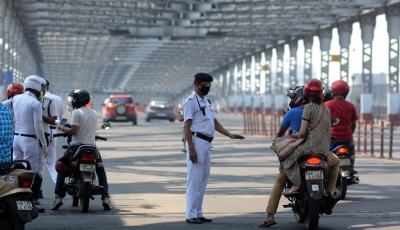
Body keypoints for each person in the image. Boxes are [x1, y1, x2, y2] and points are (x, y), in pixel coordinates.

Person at [259, 79, 340, 227]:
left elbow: (299, 133)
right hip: (322, 152)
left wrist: (289, 138)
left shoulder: (298, 111)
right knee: (336, 163)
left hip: (305, 149)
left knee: (282, 174)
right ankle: (328, 191)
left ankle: (270, 215)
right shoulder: (326, 109)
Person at [183, 73, 245, 224]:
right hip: (197, 141)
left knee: (203, 179)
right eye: (204, 85)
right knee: (194, 179)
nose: (207, 88)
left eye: (209, 86)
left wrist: (229, 135)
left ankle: (198, 212)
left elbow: (215, 123)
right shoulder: (190, 102)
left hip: (207, 143)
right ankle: (190, 214)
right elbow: (186, 126)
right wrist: (191, 148)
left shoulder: (206, 101)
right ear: (196, 84)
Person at [50, 89, 112, 211]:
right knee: (100, 169)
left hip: (76, 147)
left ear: (79, 100)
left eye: (74, 99)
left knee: (62, 167)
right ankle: (105, 197)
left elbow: (73, 131)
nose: (72, 101)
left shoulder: (76, 113)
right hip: (91, 147)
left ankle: (58, 197)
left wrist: (62, 127)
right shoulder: (93, 112)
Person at [2, 75, 49, 213]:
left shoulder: (16, 98)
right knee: (29, 173)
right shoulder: (35, 103)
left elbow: (3, 106)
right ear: (36, 87)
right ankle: (29, 203)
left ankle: (13, 200)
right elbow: (38, 126)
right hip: (30, 141)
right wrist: (44, 144)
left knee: (16, 171)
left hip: (16, 139)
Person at [275, 86, 309, 195]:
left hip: (298, 147)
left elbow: (280, 132)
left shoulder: (292, 112)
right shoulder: (320, 111)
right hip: (317, 147)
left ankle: (290, 185)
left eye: (293, 98)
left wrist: (277, 140)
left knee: (284, 159)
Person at [325, 80, 358, 175]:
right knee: (351, 149)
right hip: (346, 137)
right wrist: (349, 133)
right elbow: (354, 124)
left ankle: (326, 168)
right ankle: (351, 168)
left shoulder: (326, 105)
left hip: (331, 138)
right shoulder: (351, 106)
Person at [33, 79, 58, 204]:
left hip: (45, 134)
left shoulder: (50, 102)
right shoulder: (26, 101)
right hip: (27, 137)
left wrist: (40, 116)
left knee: (40, 165)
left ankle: (38, 192)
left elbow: (55, 120)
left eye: (43, 87)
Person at [43, 79, 65, 184]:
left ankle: (39, 190)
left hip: (41, 132)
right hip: (53, 132)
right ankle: (57, 185)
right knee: (51, 162)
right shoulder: (58, 98)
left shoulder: (38, 99)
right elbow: (60, 114)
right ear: (49, 87)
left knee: (39, 162)